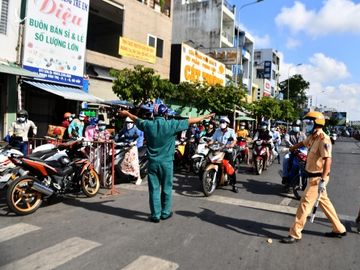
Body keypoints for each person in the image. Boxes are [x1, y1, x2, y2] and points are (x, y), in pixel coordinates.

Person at [119, 104, 214, 223]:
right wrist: (204, 117)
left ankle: (155, 215)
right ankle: (165, 213)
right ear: (165, 114)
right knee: (167, 188)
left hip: (153, 163)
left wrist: (127, 113)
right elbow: (190, 121)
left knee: (154, 189)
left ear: (154, 114)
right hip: (167, 163)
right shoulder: (171, 124)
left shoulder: (148, 125)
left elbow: (136, 119)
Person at [281, 111, 346, 244]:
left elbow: (328, 159)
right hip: (313, 177)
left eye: (309, 122)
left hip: (317, 179)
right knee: (326, 204)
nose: (307, 125)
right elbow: (302, 144)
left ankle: (295, 233)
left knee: (304, 205)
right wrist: (290, 149)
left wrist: (323, 180)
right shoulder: (313, 137)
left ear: (317, 123)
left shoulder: (323, 139)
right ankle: (339, 229)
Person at [211, 116, 238, 193]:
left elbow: (234, 140)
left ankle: (234, 185)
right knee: (207, 161)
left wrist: (231, 144)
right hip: (218, 151)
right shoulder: (217, 131)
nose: (222, 124)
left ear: (227, 124)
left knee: (230, 168)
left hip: (227, 152)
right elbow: (213, 140)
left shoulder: (231, 131)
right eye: (221, 122)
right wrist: (207, 143)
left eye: (223, 122)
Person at [115, 117, 143, 185]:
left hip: (133, 147)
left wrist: (135, 142)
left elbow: (139, 137)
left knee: (134, 163)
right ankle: (125, 176)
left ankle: (138, 178)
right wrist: (114, 139)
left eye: (130, 122)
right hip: (125, 146)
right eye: (127, 123)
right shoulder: (124, 128)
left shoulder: (136, 129)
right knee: (124, 162)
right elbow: (119, 135)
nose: (128, 124)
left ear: (132, 123)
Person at [282, 120, 307, 190]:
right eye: (294, 126)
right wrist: (292, 146)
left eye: (297, 126)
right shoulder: (289, 133)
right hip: (291, 151)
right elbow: (286, 140)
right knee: (286, 159)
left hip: (301, 152)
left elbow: (307, 142)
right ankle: (285, 176)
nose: (295, 127)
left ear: (300, 127)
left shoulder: (303, 134)